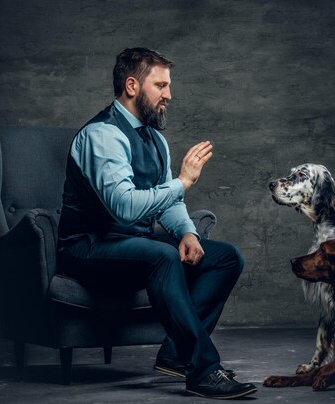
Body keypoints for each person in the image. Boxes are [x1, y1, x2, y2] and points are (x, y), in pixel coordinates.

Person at [57, 47, 257, 399]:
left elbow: (169, 201)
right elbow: (124, 208)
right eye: (161, 85)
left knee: (225, 257)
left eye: (168, 86)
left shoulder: (155, 139)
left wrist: (187, 232)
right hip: (88, 248)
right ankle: (203, 370)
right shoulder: (102, 136)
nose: (169, 95)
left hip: (132, 248)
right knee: (161, 256)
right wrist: (183, 181)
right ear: (132, 85)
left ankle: (176, 355)